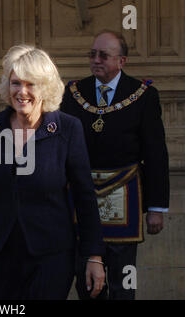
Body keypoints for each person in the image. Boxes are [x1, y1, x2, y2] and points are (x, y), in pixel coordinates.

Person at [0, 45, 106, 300]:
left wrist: (94, 256)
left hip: (51, 256)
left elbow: (85, 196)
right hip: (0, 255)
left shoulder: (67, 129)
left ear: (46, 87)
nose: (22, 92)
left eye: (31, 84)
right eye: (16, 83)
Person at [60, 30, 170, 300]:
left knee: (124, 281)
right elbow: (60, 150)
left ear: (122, 61)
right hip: (82, 199)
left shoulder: (144, 95)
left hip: (126, 198)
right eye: (92, 54)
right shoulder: (73, 93)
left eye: (103, 55)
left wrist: (156, 208)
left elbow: (156, 153)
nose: (96, 60)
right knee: (85, 279)